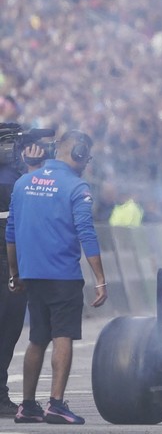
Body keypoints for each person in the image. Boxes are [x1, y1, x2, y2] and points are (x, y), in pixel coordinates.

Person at [7, 129, 107, 425]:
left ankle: (27, 405)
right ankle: (56, 404)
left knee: (37, 338)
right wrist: (100, 278)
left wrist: (14, 273)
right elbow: (86, 233)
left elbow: (11, 232)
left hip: (31, 274)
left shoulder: (23, 182)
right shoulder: (77, 187)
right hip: (62, 275)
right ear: (79, 153)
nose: (87, 163)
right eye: (87, 157)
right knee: (63, 335)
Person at [0, 97, 46, 417]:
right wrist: (32, 169)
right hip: (8, 253)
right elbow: (32, 201)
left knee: (9, 325)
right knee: (8, 324)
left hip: (10, 248)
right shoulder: (16, 178)